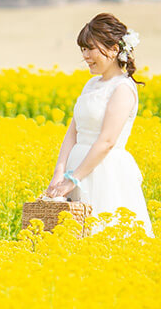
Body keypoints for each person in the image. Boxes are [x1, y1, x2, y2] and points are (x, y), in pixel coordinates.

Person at [44, 13, 153, 236]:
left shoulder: (123, 88)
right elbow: (73, 132)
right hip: (76, 170)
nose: (85, 56)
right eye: (82, 49)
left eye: (90, 49)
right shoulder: (91, 84)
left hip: (104, 172)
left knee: (103, 236)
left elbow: (106, 141)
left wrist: (73, 179)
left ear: (113, 48)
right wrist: (60, 171)